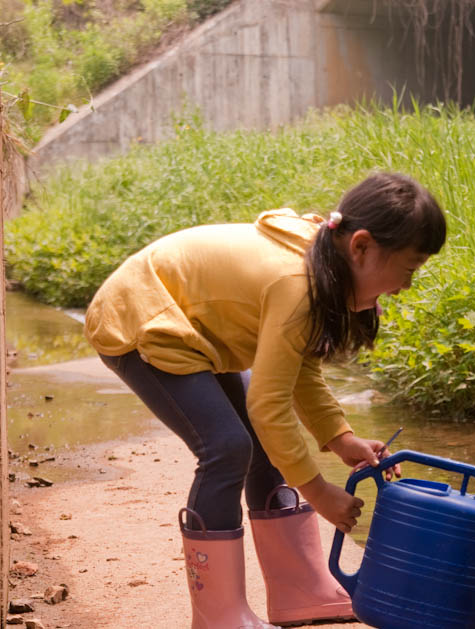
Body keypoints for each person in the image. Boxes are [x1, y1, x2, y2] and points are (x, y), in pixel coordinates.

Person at [83, 172, 446, 628]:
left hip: (199, 329)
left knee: (262, 442)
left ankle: (300, 590)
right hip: (145, 316)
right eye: (409, 269)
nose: (407, 286)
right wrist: (317, 492)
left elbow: (299, 372)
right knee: (228, 447)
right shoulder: (297, 284)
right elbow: (270, 404)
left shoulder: (321, 269)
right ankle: (219, 615)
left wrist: (340, 437)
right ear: (361, 246)